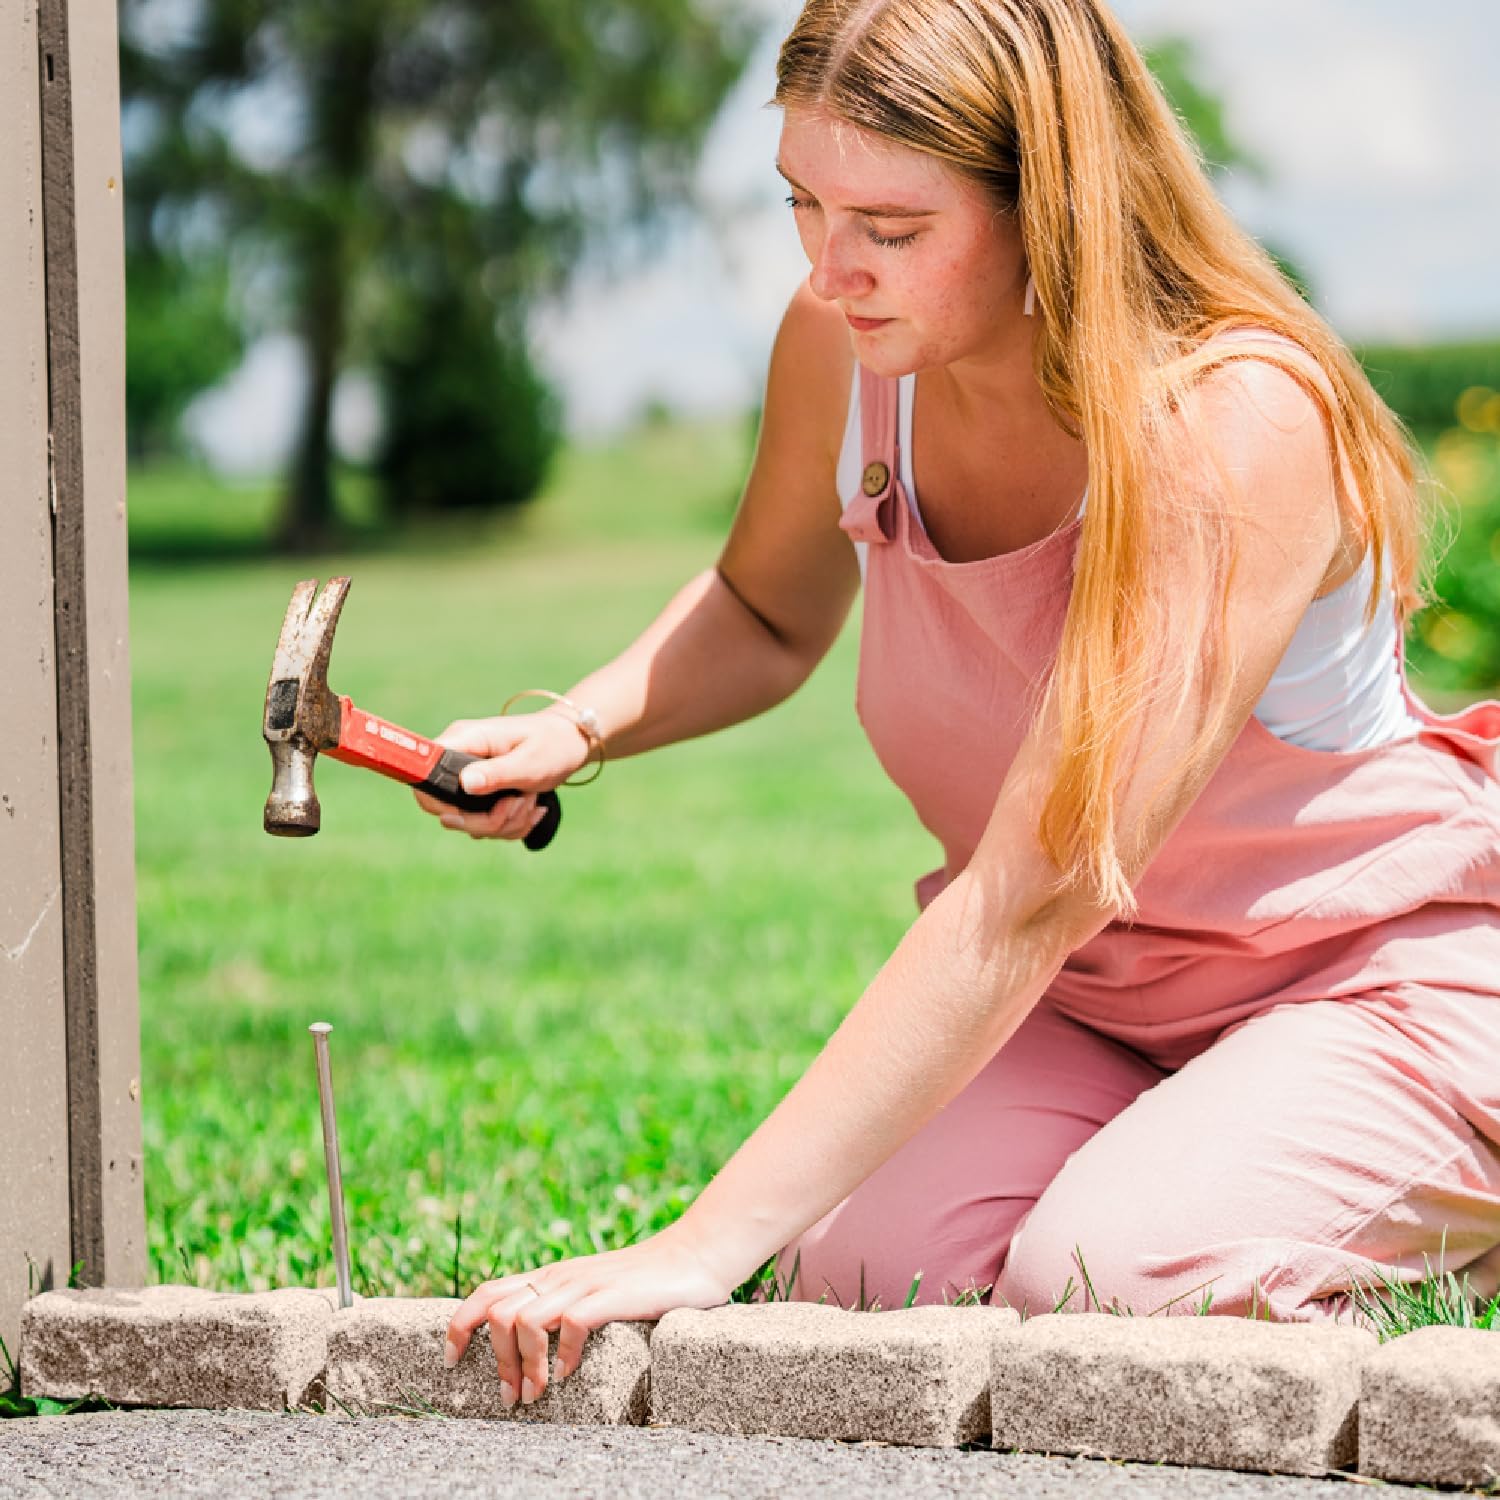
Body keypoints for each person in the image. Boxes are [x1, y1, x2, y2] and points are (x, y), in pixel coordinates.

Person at [422, 0, 1500, 1410]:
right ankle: (1204, 1150)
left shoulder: (1235, 419)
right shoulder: (847, 349)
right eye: (802, 202)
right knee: (870, 1275)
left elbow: (1031, 888)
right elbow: (765, 607)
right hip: (1098, 996)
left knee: (1107, 1283)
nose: (832, 265)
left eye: (891, 223)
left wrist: (699, 1245)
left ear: (1052, 204)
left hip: (1366, 977)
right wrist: (579, 723)